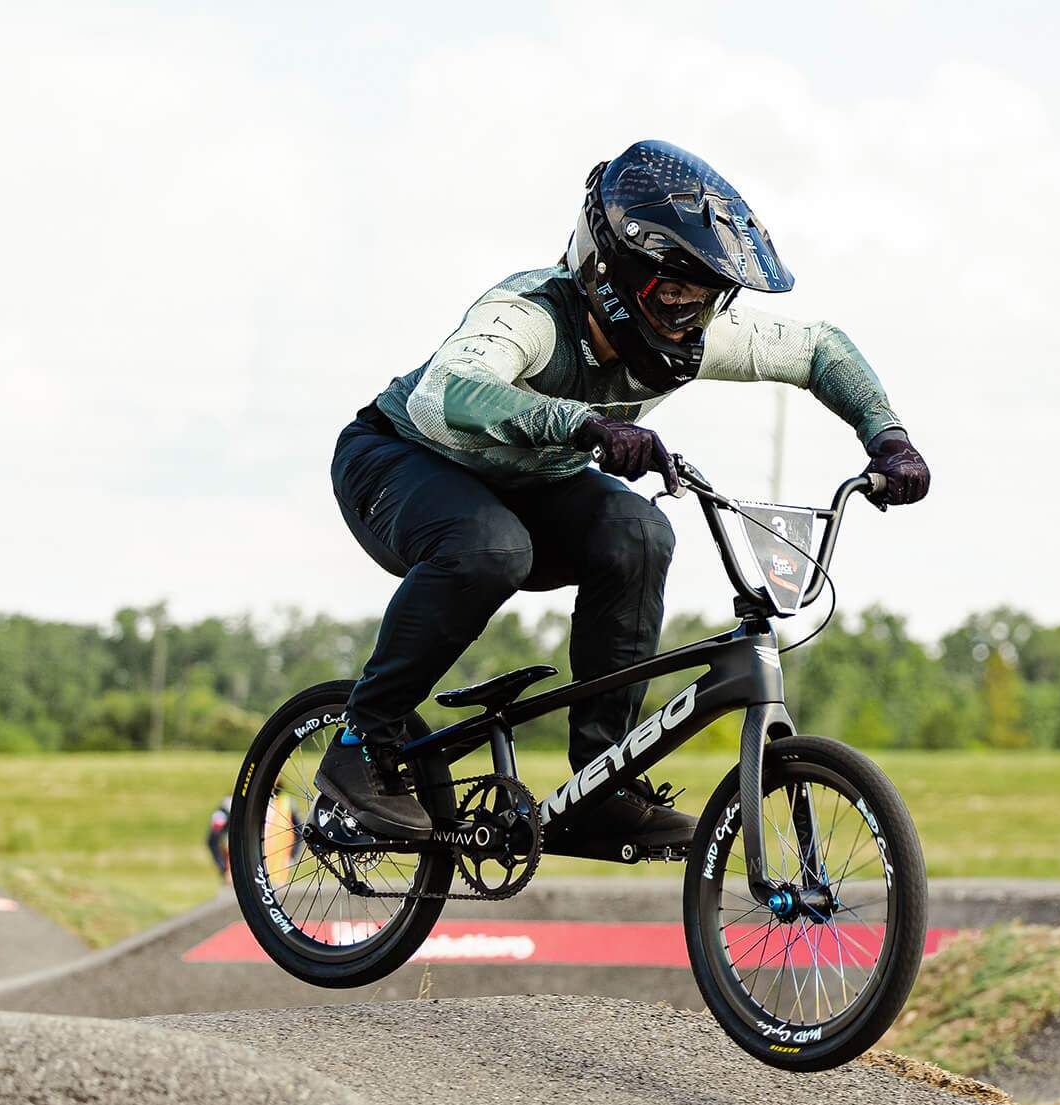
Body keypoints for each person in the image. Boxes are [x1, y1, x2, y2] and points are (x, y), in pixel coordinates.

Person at [317, 140, 929, 852]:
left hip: (529, 482)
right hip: (397, 460)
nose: (688, 315)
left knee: (641, 532)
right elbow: (443, 395)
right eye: (672, 293)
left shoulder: (695, 337)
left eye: (704, 298)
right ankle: (362, 740)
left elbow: (819, 348)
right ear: (614, 273)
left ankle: (601, 786)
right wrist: (582, 423)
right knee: (490, 546)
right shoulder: (532, 313)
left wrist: (887, 436)